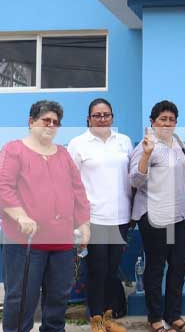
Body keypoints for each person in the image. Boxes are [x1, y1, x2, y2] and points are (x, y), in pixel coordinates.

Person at [0, 100, 91, 332]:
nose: (51, 125)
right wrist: (20, 216)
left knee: (58, 297)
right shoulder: (14, 149)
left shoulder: (63, 154)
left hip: (62, 242)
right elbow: (1, 185)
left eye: (55, 122)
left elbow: (78, 191)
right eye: (46, 120)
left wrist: (84, 224)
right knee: (21, 298)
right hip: (24, 242)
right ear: (31, 122)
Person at [130, 101, 185, 332]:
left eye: (171, 119)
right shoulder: (146, 145)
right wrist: (147, 155)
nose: (167, 123)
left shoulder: (176, 142)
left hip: (178, 215)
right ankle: (155, 318)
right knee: (156, 267)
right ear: (152, 121)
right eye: (163, 119)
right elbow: (135, 181)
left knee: (179, 265)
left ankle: (174, 315)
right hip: (154, 214)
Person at [68, 98, 133, 332]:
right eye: (97, 115)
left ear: (112, 117)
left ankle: (107, 316)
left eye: (106, 114)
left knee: (112, 269)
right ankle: (95, 318)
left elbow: (132, 177)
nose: (102, 118)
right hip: (92, 218)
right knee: (96, 270)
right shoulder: (78, 144)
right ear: (88, 118)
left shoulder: (124, 141)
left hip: (120, 217)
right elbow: (70, 182)